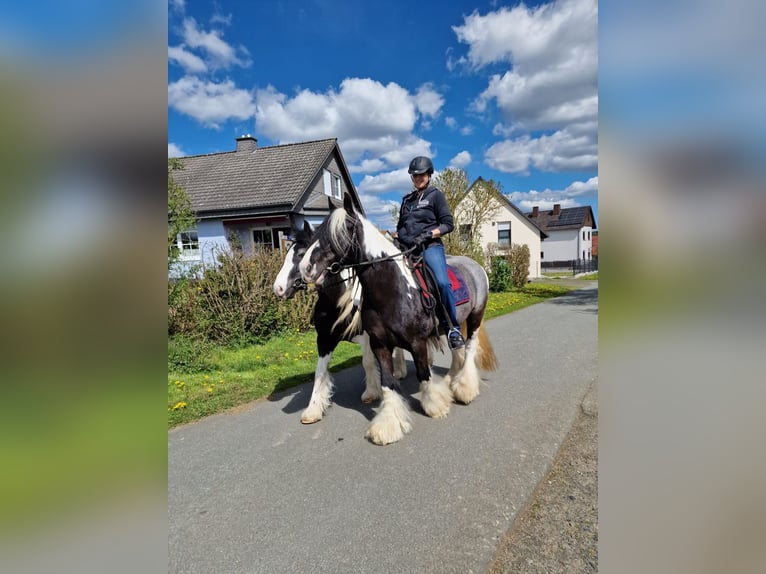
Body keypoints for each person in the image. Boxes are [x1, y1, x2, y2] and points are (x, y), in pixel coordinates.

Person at [395, 156, 465, 350]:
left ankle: (453, 328)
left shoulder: (435, 196)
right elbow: (400, 225)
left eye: (421, 175)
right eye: (415, 176)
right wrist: (397, 237)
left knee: (442, 283)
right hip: (408, 248)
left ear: (429, 175)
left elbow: (448, 224)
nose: (418, 178)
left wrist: (428, 234)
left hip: (430, 247)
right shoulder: (406, 201)